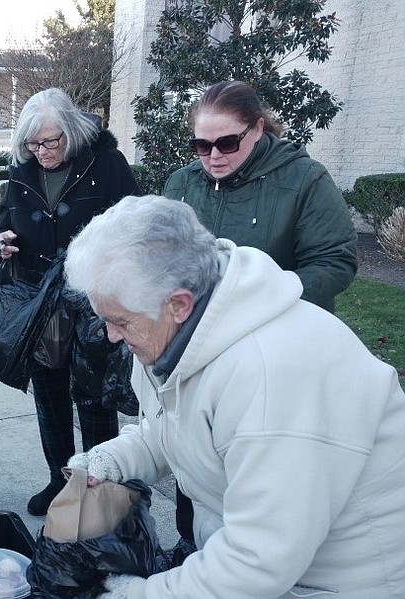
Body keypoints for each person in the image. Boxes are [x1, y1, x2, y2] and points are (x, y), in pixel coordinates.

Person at [64, 195, 405, 598]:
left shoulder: (273, 376)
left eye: (119, 321)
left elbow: (258, 560)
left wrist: (137, 595)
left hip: (335, 583)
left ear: (178, 304)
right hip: (271, 566)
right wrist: (114, 459)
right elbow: (170, 428)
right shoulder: (169, 332)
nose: (110, 336)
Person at [163, 79, 358, 553]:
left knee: (259, 465)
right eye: (201, 144)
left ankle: (254, 560)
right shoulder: (184, 183)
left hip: (276, 355)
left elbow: (335, 261)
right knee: (195, 453)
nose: (214, 155)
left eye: (227, 142)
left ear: (257, 129)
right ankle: (192, 546)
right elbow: (164, 254)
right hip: (198, 348)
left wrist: (267, 300)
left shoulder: (304, 180)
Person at [0, 88, 141, 516]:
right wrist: (0, 241)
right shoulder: (23, 169)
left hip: (94, 303)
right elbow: (4, 222)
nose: (40, 152)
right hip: (43, 305)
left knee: (94, 400)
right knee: (51, 396)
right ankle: (60, 482)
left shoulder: (107, 164)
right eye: (32, 144)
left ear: (71, 134)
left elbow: (135, 224)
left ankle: (97, 488)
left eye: (49, 142)